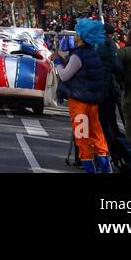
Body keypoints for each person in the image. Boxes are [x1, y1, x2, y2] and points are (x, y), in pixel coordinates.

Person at [53, 18, 111, 173]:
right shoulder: (93, 54)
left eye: (78, 33)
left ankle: (91, 169)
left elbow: (64, 75)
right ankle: (106, 168)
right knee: (97, 135)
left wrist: (57, 61)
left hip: (79, 102)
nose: (75, 35)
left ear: (82, 36)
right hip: (92, 102)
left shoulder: (78, 56)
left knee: (82, 137)